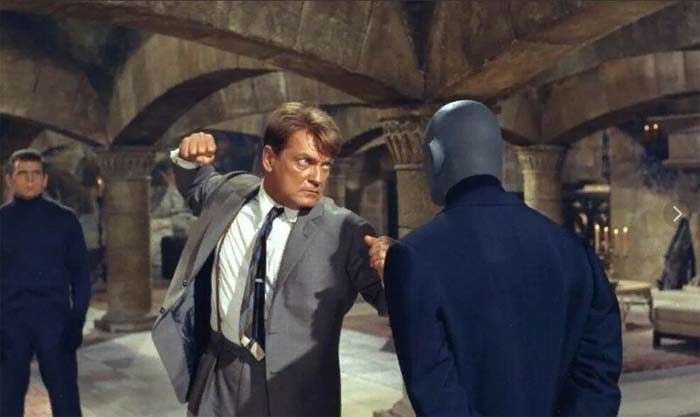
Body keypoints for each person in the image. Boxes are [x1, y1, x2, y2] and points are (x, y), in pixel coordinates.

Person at [152, 102, 393, 417]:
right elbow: (196, 184)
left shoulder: (345, 230)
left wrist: (395, 270)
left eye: (325, 165)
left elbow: (391, 302)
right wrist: (187, 155)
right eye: (305, 162)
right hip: (218, 375)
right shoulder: (230, 194)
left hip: (297, 393)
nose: (317, 177)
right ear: (269, 158)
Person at [384, 100, 622, 416]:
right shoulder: (573, 251)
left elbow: (437, 395)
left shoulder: (413, 257)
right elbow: (599, 375)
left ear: (435, 157)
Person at [0, 148, 90, 417]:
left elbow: (81, 274)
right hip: (10, 325)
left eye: (36, 174)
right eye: (22, 174)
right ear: (9, 179)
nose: (30, 180)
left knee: (66, 402)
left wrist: (77, 321)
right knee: (6, 402)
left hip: (55, 323)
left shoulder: (65, 219)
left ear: (44, 179)